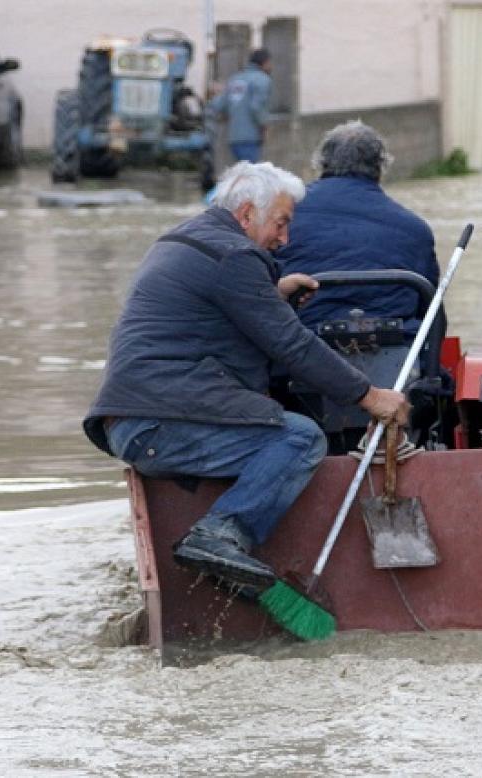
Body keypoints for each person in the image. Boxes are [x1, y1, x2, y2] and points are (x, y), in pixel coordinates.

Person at [83, 161, 410, 590]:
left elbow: (202, 323)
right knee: (300, 438)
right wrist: (369, 396)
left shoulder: (184, 240)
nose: (285, 238)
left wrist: (273, 296)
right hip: (159, 425)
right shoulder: (237, 256)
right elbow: (292, 345)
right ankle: (219, 534)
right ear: (246, 216)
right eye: (281, 222)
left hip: (134, 421)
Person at [276, 121, 440, 334]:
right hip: (396, 352)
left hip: (301, 348)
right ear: (381, 166)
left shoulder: (281, 217)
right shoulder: (416, 230)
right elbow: (431, 312)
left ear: (321, 163)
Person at [209, 48, 273, 163]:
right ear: (264, 63)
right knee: (252, 175)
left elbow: (218, 105)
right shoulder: (263, 80)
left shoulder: (235, 79)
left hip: (234, 138)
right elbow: (256, 107)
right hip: (251, 137)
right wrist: (264, 126)